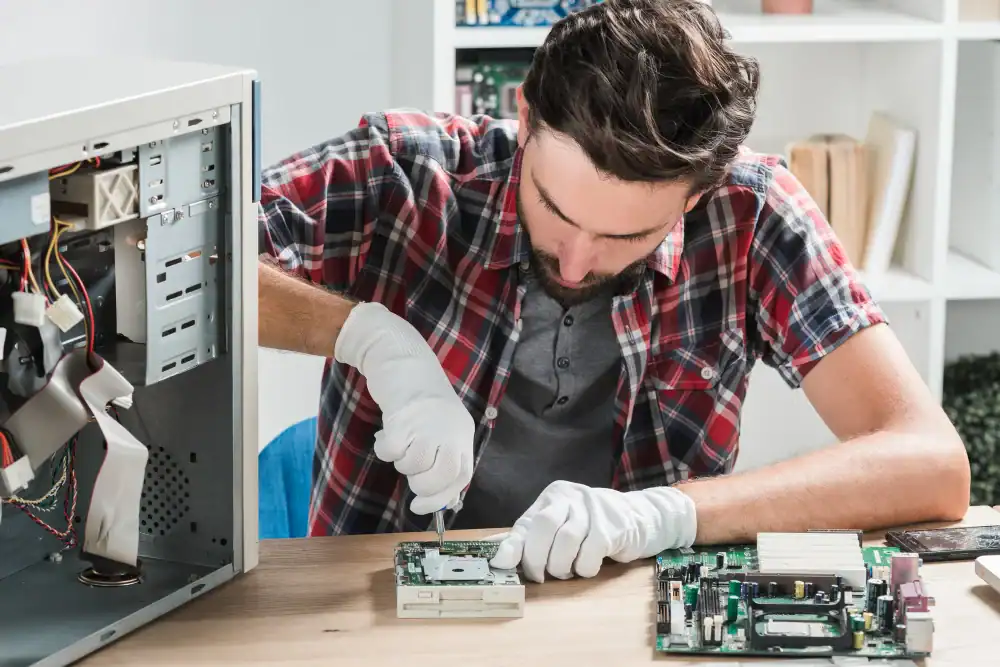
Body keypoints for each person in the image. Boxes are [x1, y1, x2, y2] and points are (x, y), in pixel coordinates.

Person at [257, 0, 970, 583]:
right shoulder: (408, 173)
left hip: (624, 612)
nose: (574, 263)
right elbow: (179, 258)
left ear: (698, 195)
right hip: (375, 609)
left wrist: (671, 514)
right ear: (528, 118)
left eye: (626, 238)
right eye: (555, 211)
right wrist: (372, 338)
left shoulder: (752, 213)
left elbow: (929, 461)